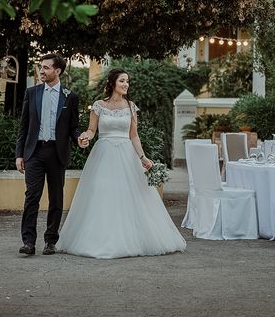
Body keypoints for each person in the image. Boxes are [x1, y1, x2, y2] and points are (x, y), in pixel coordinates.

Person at [57, 68, 187, 259]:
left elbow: (134, 135)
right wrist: (85, 137)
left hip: (127, 155)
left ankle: (133, 239)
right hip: (103, 155)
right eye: (122, 81)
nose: (126, 84)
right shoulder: (98, 106)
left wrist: (143, 158)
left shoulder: (131, 106)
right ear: (112, 83)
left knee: (130, 196)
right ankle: (100, 239)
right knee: (102, 195)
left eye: (127, 81)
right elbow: (92, 130)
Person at [15, 53, 85, 256]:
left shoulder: (70, 96)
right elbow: (24, 126)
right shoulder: (32, 92)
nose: (42, 71)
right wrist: (19, 154)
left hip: (57, 153)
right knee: (32, 197)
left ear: (58, 71)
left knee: (56, 198)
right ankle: (28, 242)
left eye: (46, 68)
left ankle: (51, 241)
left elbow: (73, 127)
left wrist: (80, 138)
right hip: (34, 151)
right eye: (41, 67)